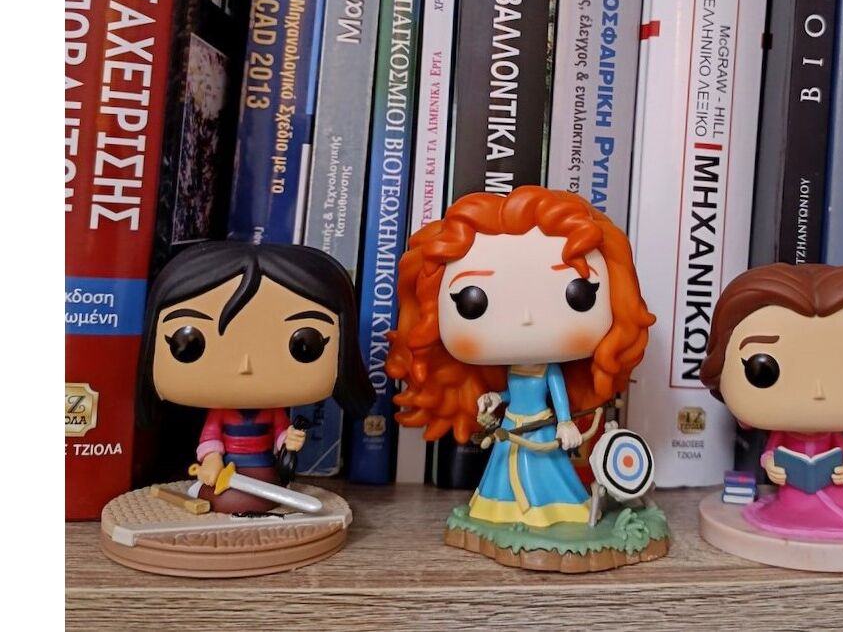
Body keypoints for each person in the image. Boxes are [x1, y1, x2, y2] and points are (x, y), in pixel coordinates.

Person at [387, 187, 655, 527]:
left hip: (539, 426)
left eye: (578, 294)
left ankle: (556, 511)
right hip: (513, 424)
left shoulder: (549, 369)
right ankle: (497, 509)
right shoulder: (510, 369)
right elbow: (512, 390)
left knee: (544, 470)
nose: (526, 318)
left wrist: (565, 422)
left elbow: (557, 393)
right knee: (506, 469)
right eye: (473, 301)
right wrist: (495, 397)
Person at [137, 241, 374, 513]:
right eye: (190, 344)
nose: (245, 365)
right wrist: (212, 459)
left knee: (257, 493)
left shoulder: (272, 412)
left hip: (262, 467)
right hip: (227, 467)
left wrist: (288, 441)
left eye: (305, 344)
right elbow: (210, 438)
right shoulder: (220, 413)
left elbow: (281, 433)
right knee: (229, 494)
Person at [700, 263, 843, 539]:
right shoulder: (783, 435)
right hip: (792, 495)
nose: (818, 391)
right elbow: (770, 452)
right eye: (763, 370)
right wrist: (772, 465)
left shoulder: (831, 434)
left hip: (831, 488)